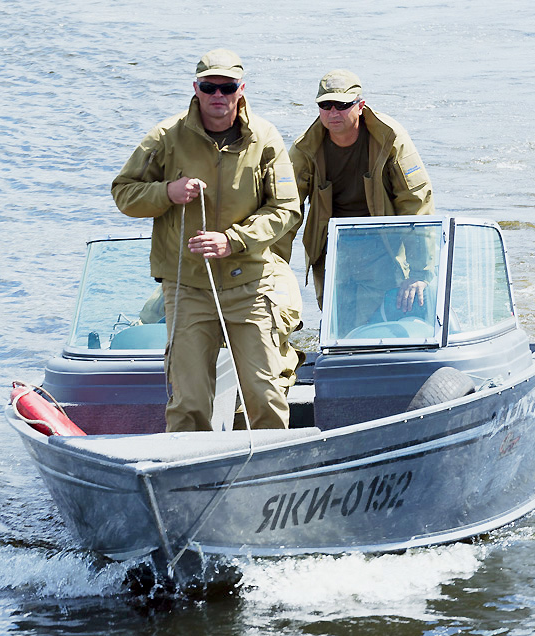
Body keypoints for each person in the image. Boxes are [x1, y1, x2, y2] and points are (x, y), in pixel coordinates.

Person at [111, 49, 302, 432]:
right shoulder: (166, 137)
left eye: (227, 87)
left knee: (265, 394)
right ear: (196, 89)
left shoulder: (265, 139)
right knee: (189, 402)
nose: (218, 95)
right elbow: (123, 193)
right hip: (187, 287)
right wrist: (167, 192)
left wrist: (234, 240)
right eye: (209, 87)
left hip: (250, 283)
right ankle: (186, 480)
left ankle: (272, 474)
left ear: (241, 89)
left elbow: (286, 209)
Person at [281, 69, 436, 322]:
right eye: (325, 105)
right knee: (337, 322)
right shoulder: (304, 149)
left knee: (385, 319)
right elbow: (285, 211)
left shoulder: (390, 138)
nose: (333, 112)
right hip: (333, 249)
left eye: (342, 105)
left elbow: (416, 202)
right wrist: (274, 272)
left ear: (360, 105)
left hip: (384, 246)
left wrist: (420, 273)